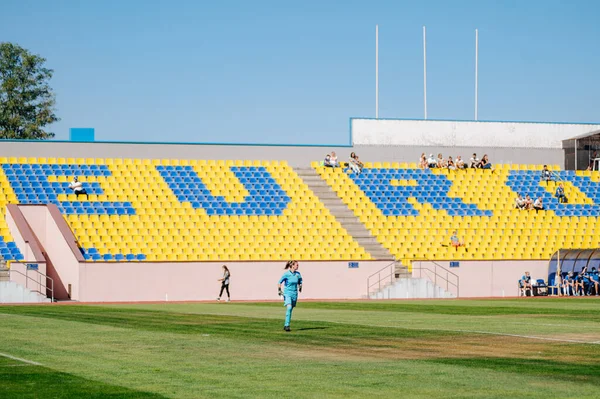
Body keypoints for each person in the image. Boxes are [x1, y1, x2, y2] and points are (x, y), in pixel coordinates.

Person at [277, 260, 302, 332]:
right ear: (292, 266)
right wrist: (279, 290)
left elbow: (300, 281)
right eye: (297, 265)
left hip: (294, 294)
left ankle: (287, 324)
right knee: (289, 307)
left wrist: (300, 286)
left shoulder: (298, 274)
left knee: (291, 309)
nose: (298, 266)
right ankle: (286, 325)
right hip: (287, 293)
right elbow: (279, 282)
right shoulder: (286, 274)